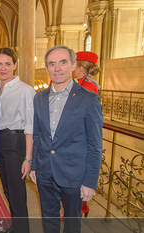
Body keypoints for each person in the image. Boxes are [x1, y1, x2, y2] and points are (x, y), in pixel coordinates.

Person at [29, 45, 103, 233]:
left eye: (63, 62)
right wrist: (36, 167)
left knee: (71, 224)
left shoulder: (89, 99)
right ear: (47, 68)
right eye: (52, 64)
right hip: (45, 172)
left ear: (73, 65)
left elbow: (95, 145)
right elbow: (37, 136)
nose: (57, 68)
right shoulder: (39, 98)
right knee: (49, 220)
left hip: (73, 175)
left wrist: (90, 181)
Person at [0, 48, 35, 233]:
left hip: (16, 143)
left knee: (17, 192)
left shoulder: (25, 90)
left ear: (15, 65)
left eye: (8, 64)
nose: (3, 68)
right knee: (8, 190)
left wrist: (28, 158)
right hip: (0, 142)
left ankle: (23, 229)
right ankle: (16, 226)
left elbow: (30, 127)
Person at [73, 51, 101, 218]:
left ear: (82, 68)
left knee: (79, 178)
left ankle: (77, 211)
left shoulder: (88, 86)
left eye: (74, 65)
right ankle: (82, 209)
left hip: (82, 138)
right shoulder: (82, 82)